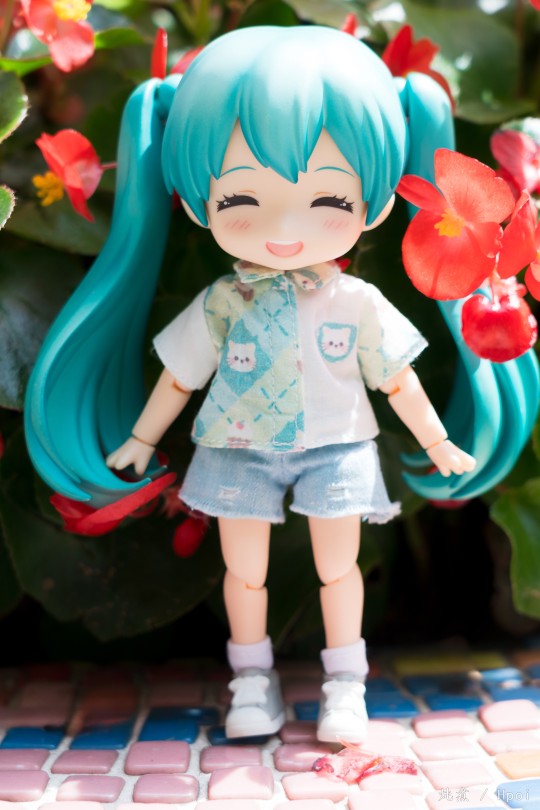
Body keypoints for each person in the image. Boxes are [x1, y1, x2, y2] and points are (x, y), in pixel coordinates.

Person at [24, 25, 529, 743]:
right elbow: (180, 377)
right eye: (241, 200)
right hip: (237, 445)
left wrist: (438, 439)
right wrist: (140, 438)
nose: (286, 231)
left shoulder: (356, 302)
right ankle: (250, 682)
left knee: (337, 570)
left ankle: (346, 687)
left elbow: (397, 380)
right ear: (195, 205)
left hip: (338, 444)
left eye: (330, 203)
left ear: (378, 205)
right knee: (247, 574)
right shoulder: (224, 301)